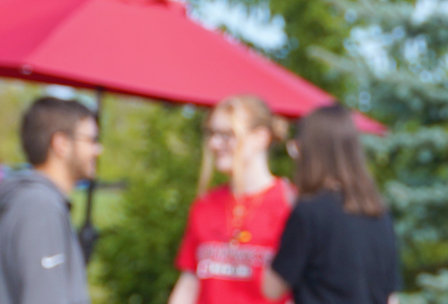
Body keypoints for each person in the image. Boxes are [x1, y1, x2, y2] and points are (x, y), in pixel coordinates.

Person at [260, 105, 401, 304]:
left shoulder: (309, 212)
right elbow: (391, 298)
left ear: (312, 152)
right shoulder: (379, 213)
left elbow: (271, 288)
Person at [170, 96, 295, 304]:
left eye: (227, 135)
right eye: (212, 134)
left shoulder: (290, 204)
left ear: (260, 137)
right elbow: (190, 280)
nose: (214, 143)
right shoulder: (205, 205)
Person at [0, 96, 102, 304]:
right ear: (61, 144)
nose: (98, 150)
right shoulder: (39, 207)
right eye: (91, 140)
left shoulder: (37, 202)